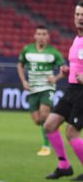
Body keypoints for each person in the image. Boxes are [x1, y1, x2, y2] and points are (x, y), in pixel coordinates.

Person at [43, 0, 83, 181]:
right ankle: (64, 166)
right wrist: (67, 72)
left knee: (71, 132)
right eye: (77, 15)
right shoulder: (77, 39)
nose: (80, 18)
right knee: (49, 125)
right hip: (72, 89)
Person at [17, 25, 65, 156]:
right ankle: (54, 124)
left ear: (48, 37)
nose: (42, 37)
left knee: (44, 114)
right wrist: (23, 81)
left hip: (47, 88)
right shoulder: (27, 50)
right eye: (39, 34)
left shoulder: (53, 52)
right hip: (33, 89)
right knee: (38, 120)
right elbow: (20, 65)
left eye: (44, 34)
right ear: (35, 36)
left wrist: (56, 78)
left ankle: (46, 146)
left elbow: (65, 69)